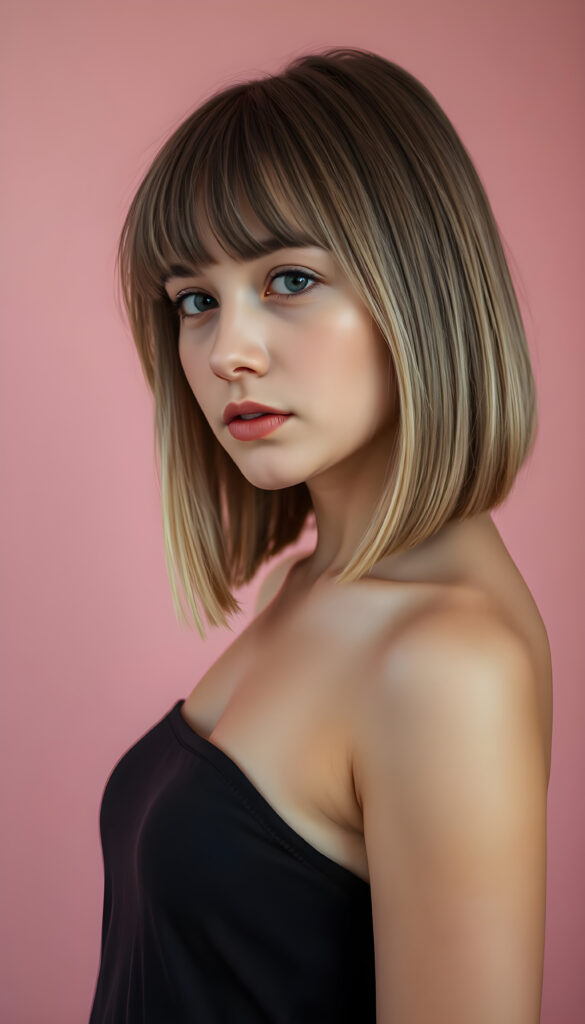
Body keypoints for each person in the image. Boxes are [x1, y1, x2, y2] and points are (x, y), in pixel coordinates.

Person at [89, 47, 552, 1023]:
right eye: (196, 301)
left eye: (290, 278)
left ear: (417, 291)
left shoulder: (444, 663)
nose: (228, 352)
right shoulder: (309, 583)